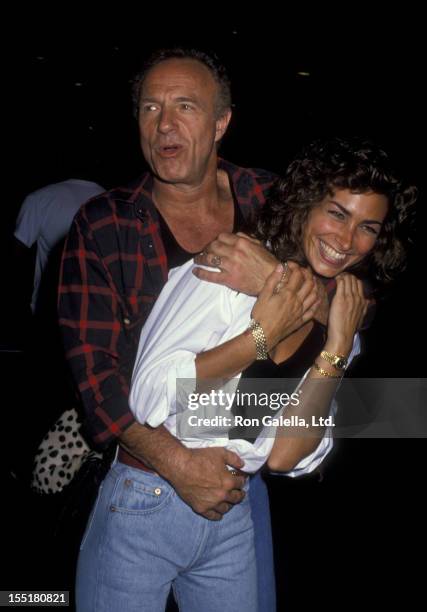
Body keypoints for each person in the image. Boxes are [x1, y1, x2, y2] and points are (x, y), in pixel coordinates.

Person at [107, 136, 413, 611]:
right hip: (149, 496)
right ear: (307, 205)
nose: (347, 240)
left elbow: (286, 455)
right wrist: (260, 337)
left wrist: (334, 349)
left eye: (367, 227)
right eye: (336, 213)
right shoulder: (229, 268)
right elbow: (148, 399)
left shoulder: (343, 323)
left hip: (232, 512)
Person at [59, 47, 284, 611]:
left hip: (240, 484)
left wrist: (274, 278)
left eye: (185, 105)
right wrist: (181, 466)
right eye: (150, 108)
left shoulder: (272, 200)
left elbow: (354, 292)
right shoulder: (104, 222)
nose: (164, 124)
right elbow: (95, 376)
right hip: (145, 484)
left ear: (221, 122)